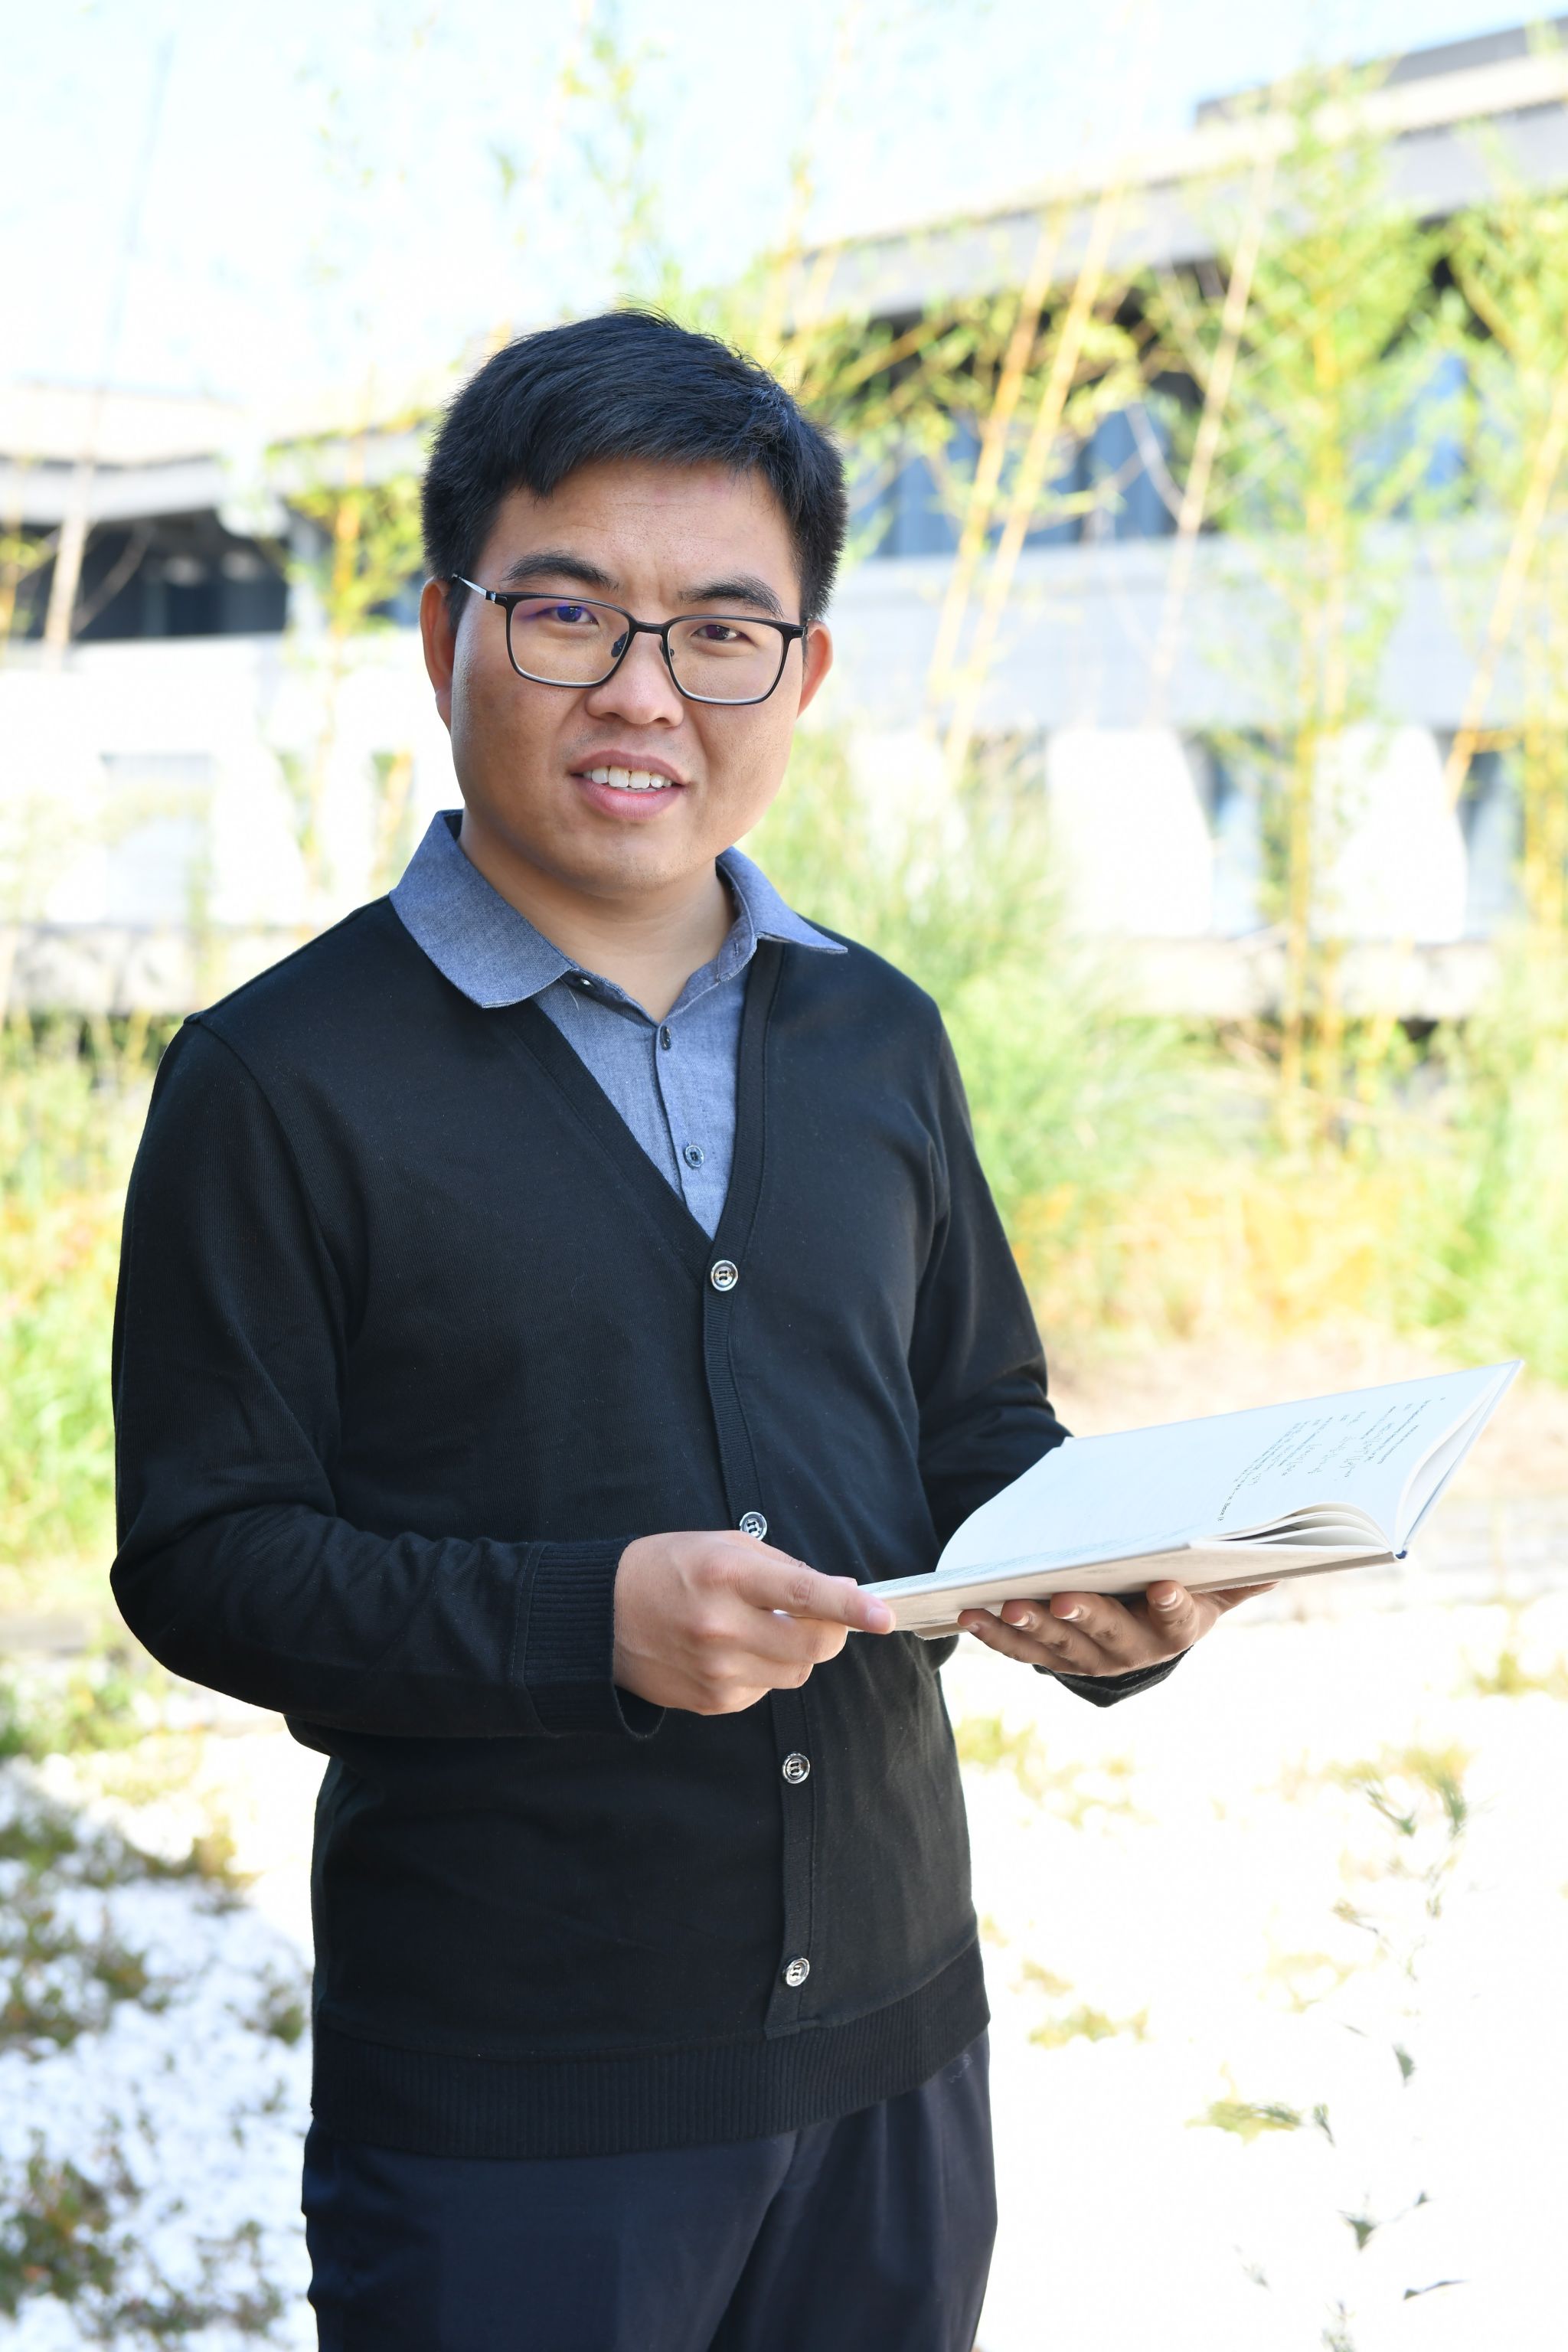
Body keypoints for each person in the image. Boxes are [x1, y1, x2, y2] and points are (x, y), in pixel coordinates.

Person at [111, 309, 1259, 2352]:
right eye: (569, 616)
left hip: (899, 2053)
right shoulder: (280, 1077)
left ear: (799, 673)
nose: (644, 691)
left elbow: (973, 1425)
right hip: (513, 2106)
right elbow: (206, 1560)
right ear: (445, 634)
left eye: (722, 631)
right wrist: (594, 1624)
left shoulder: (878, 1034)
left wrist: (1111, 1582)